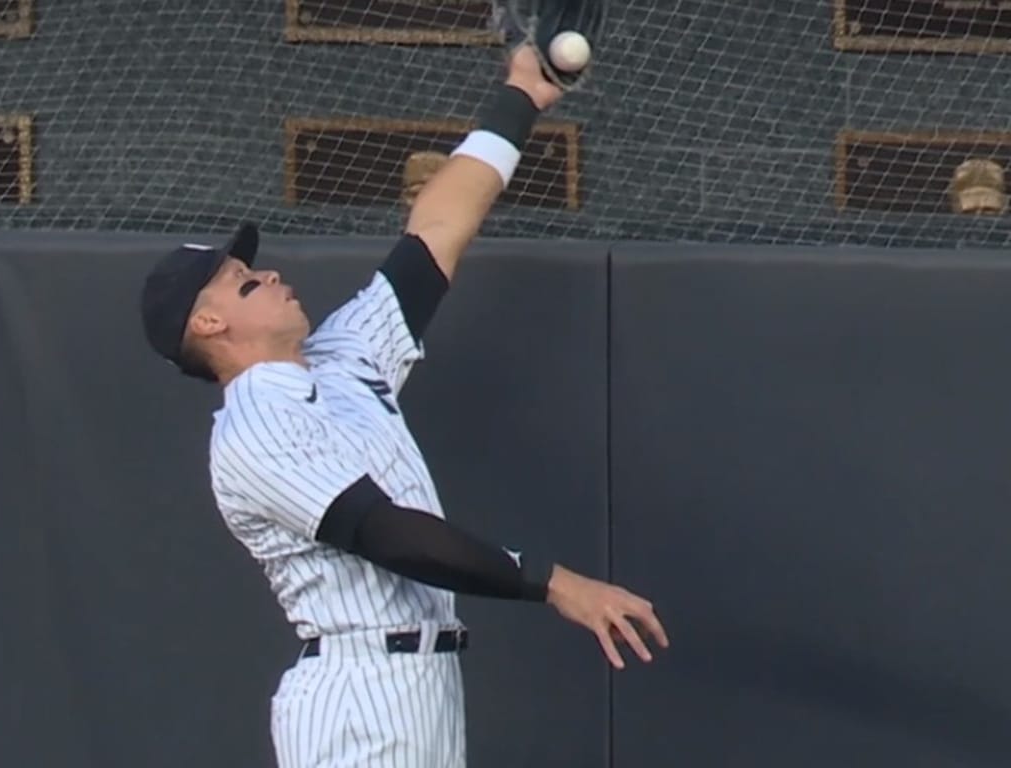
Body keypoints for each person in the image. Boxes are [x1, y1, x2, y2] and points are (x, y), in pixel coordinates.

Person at [139, 44, 668, 767]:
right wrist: (554, 583)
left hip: (417, 686)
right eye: (242, 281)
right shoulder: (254, 426)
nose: (268, 275)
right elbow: (388, 534)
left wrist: (519, 96)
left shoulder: (344, 353)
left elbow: (437, 231)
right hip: (357, 693)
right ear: (208, 325)